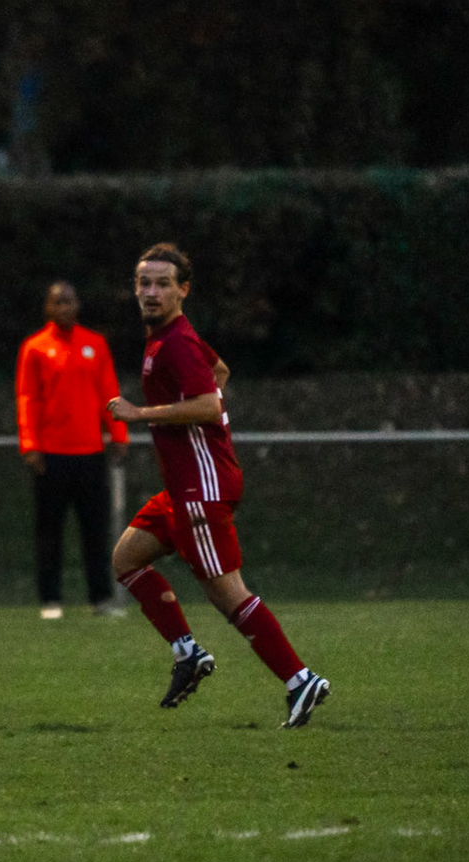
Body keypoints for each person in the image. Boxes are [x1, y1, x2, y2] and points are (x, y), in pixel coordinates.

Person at [105, 243, 331, 726]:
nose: (151, 292)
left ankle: (300, 680)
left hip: (201, 489)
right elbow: (219, 373)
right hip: (183, 490)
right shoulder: (169, 339)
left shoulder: (177, 343)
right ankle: (187, 653)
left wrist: (141, 414)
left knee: (228, 594)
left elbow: (209, 403)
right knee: (126, 559)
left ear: (183, 290)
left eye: (163, 284)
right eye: (144, 283)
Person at [16, 280, 131, 619]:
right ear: (48, 308)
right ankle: (50, 600)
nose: (64, 307)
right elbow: (27, 398)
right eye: (57, 302)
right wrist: (30, 445)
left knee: (95, 530)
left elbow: (108, 391)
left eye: (68, 301)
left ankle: (100, 598)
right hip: (51, 455)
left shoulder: (95, 344)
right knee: (49, 531)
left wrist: (118, 434)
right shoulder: (35, 348)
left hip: (90, 453)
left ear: (78, 305)